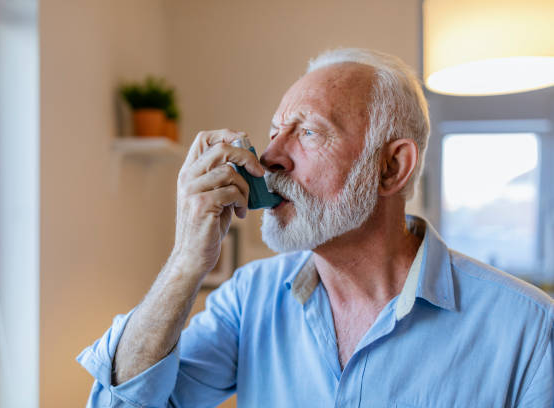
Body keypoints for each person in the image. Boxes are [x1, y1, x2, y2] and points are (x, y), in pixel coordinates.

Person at [78, 48, 553, 407]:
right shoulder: (248, 300)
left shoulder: (530, 331)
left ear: (391, 167)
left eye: (308, 132)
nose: (270, 157)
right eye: (274, 132)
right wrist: (186, 261)